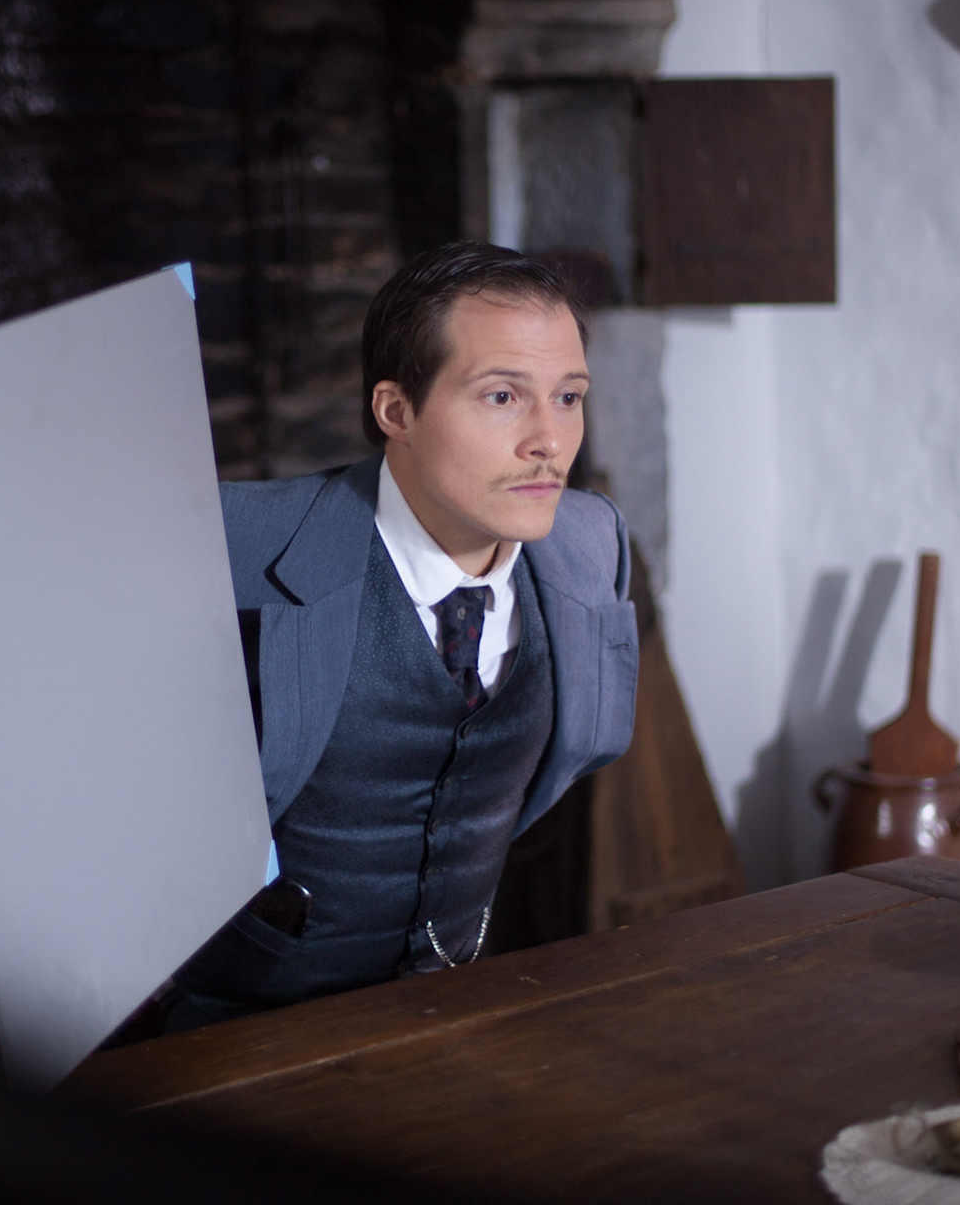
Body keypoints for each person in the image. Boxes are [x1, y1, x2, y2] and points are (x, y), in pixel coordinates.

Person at [164, 241, 638, 1030]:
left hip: (454, 1013)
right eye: (502, 396)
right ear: (397, 412)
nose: (550, 441)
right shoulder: (231, 546)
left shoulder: (591, 546)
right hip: (232, 1028)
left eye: (568, 397)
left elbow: (574, 754)